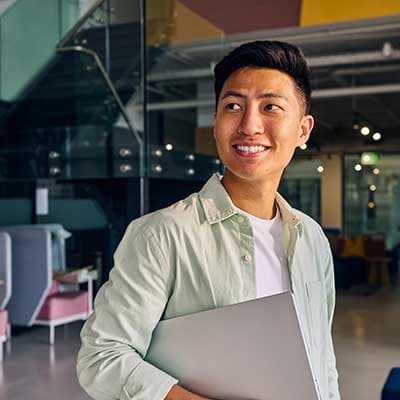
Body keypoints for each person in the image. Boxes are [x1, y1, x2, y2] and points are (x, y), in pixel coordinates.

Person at [77, 40, 340, 400]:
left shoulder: (311, 237)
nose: (249, 125)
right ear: (216, 122)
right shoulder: (161, 235)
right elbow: (102, 356)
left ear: (303, 130)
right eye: (233, 105)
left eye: (271, 107)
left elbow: (322, 357)